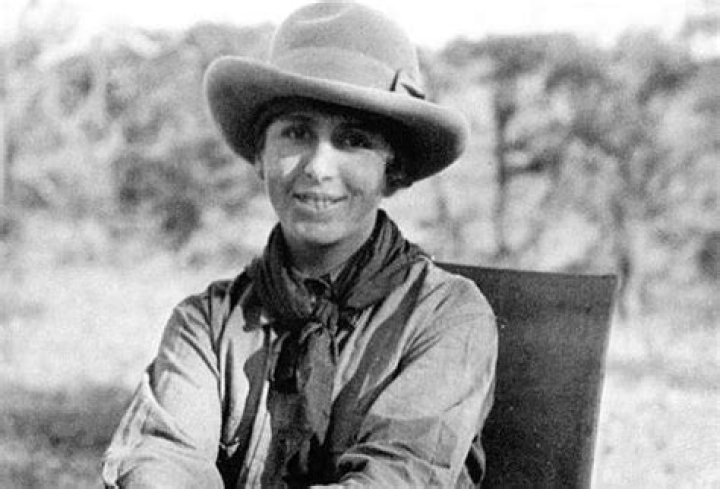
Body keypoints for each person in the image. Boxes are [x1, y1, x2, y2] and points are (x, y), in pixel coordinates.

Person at [102, 2, 497, 487]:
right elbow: (161, 461)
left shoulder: (446, 316)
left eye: (353, 140)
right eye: (296, 133)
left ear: (391, 169)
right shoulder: (207, 324)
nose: (318, 167)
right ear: (260, 155)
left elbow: (395, 477)